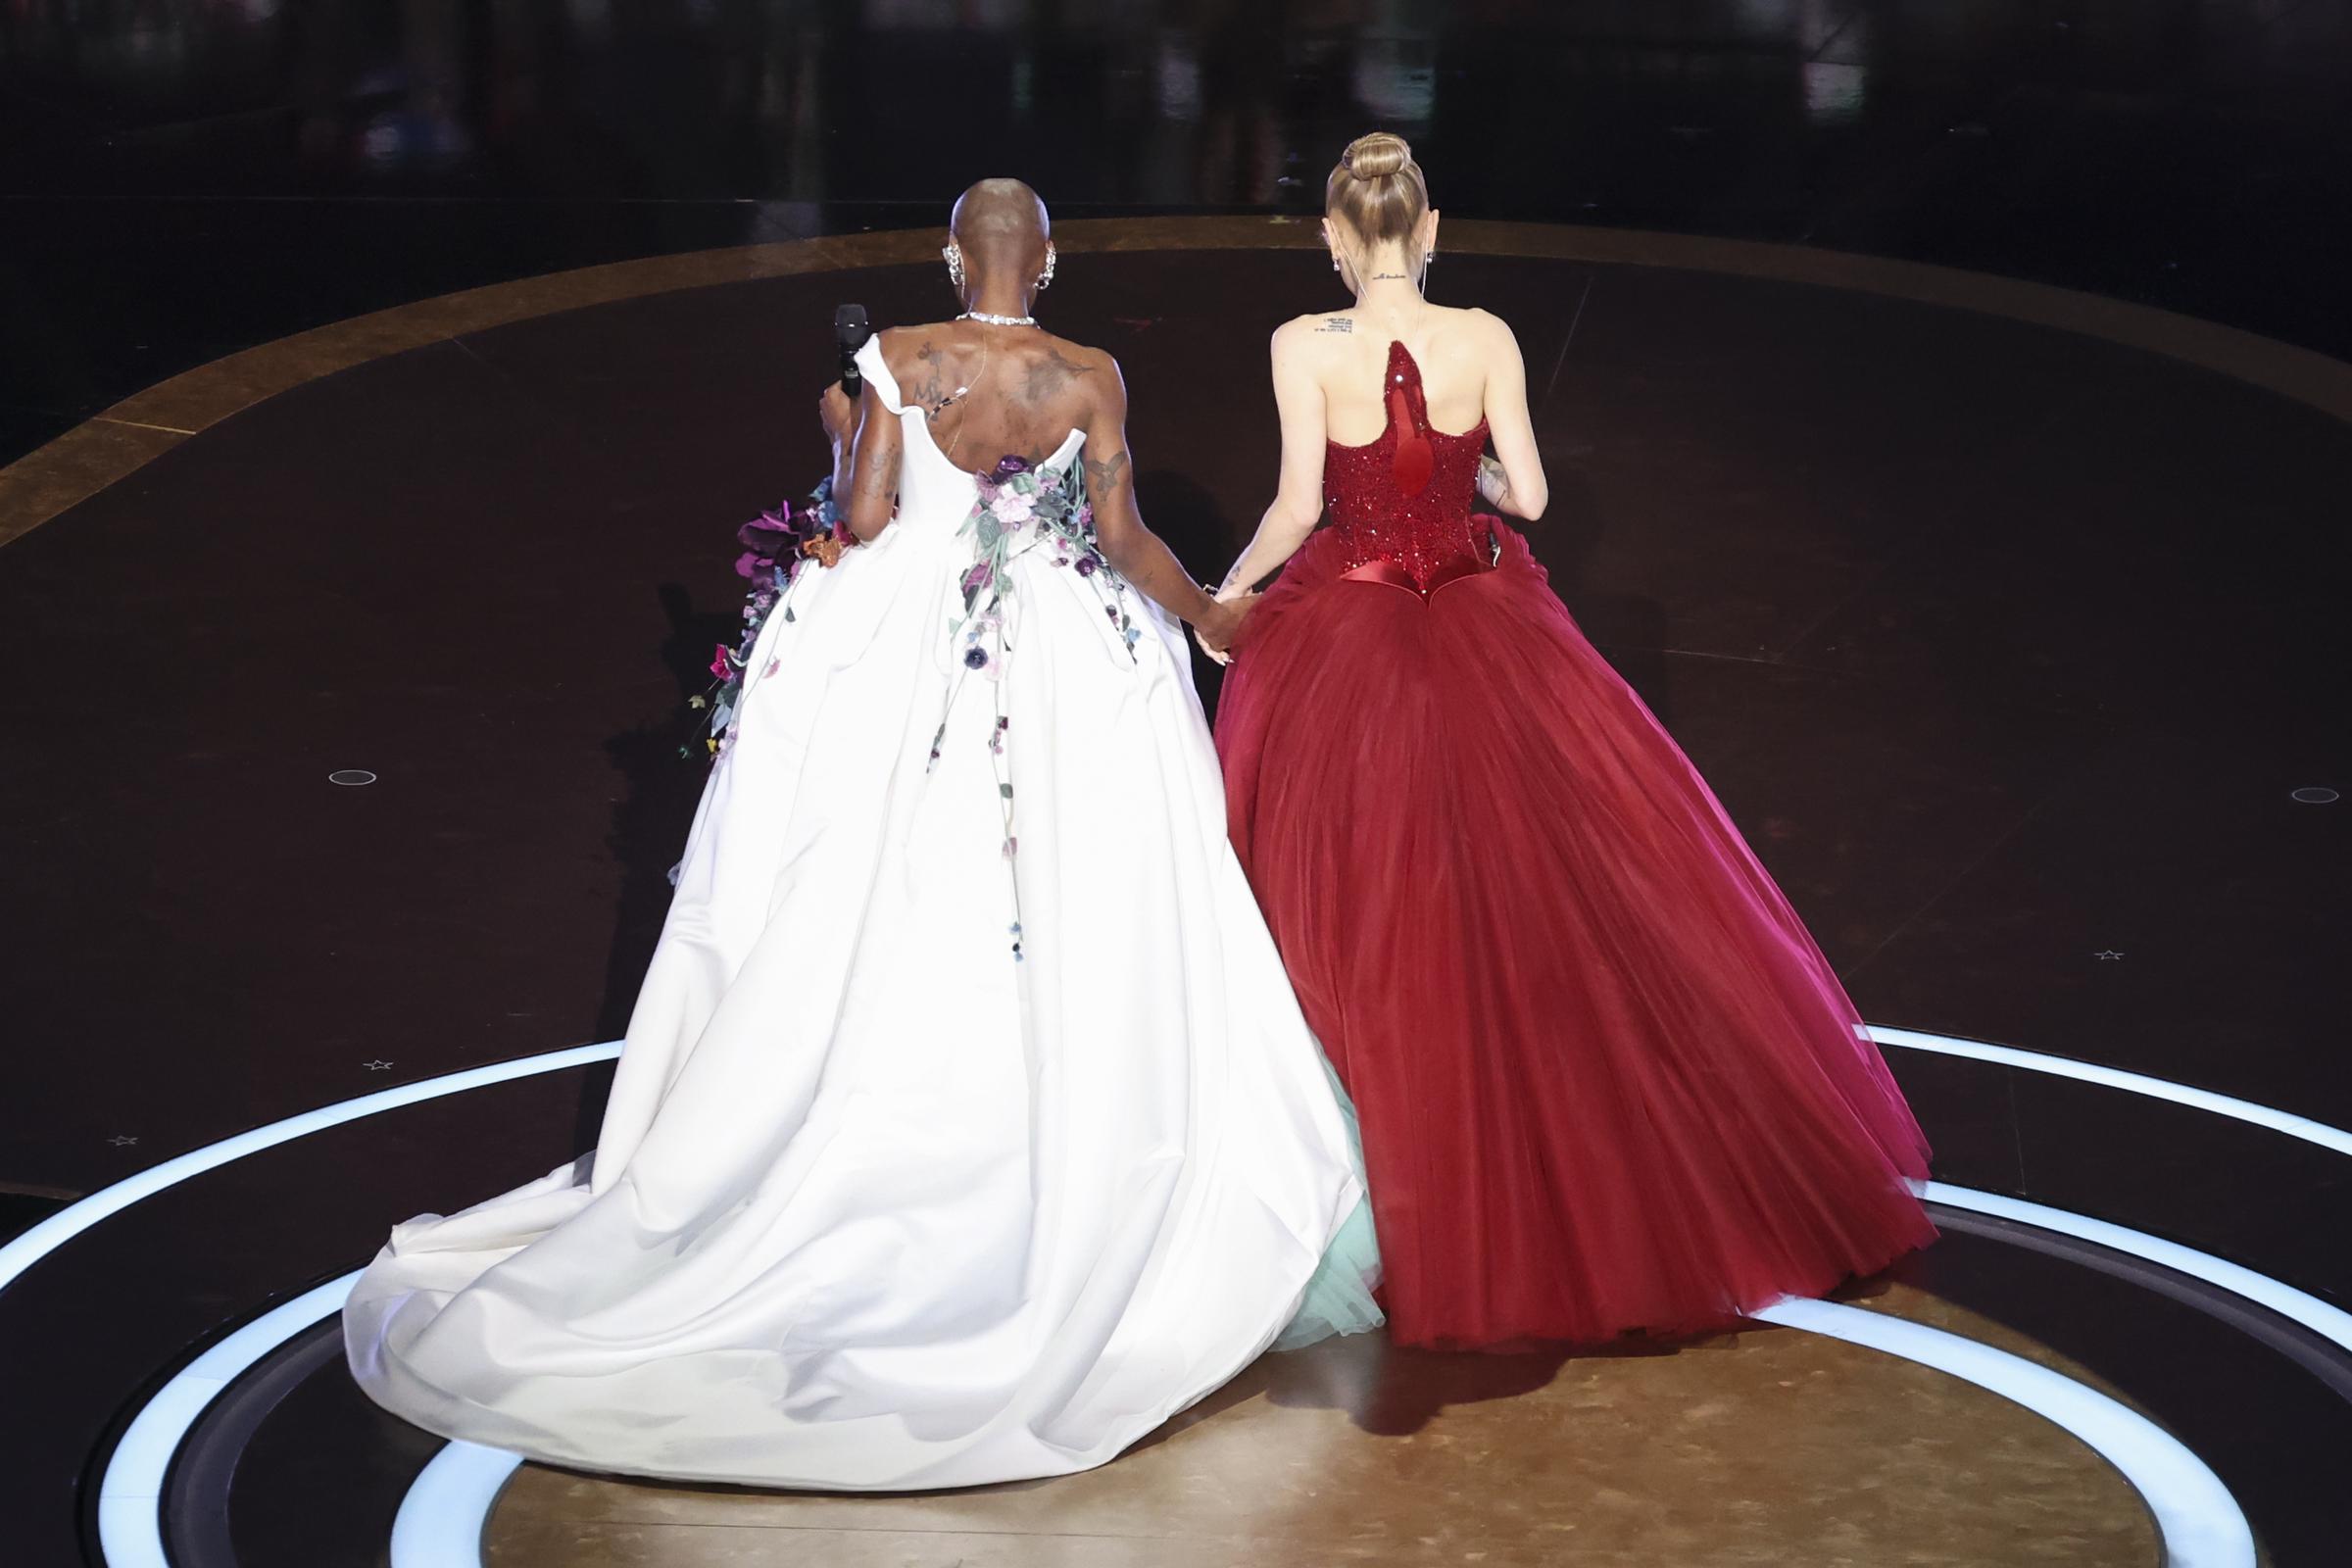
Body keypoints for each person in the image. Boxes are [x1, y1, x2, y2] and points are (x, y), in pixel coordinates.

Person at [344, 179, 1379, 1491]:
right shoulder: (1086, 375)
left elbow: (870, 522)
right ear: (1046, 264)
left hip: (913, 657)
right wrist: (1212, 621)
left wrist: (841, 436)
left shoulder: (899, 358)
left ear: (957, 259)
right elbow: (1116, 534)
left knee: (875, 887)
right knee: (1078, 890)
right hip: (1063, 660)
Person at [1207, 133, 1934, 1351]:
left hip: (1351, 640)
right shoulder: (1485, 335)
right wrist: (1468, 475)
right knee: (1549, 894)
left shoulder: (1299, 345)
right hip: (1484, 620)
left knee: (1363, 896)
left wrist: (1230, 602)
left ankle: (1367, 1179)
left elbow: (1297, 504)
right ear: (1429, 234)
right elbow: (1531, 500)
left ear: (1334, 240)